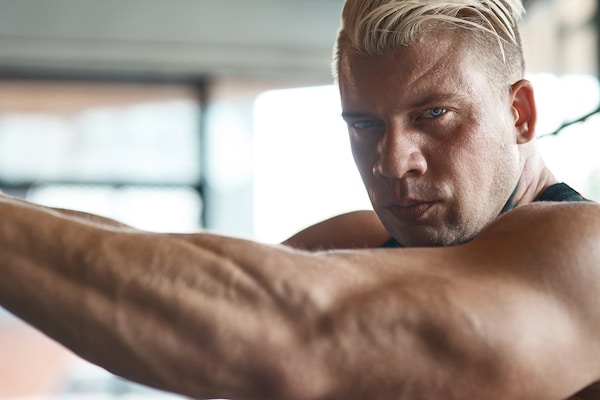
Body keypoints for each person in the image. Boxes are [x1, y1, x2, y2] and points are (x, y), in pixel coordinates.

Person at [1, 0, 599, 399]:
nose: (393, 161)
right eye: (364, 124)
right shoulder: (361, 241)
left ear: (519, 115)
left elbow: (294, 337)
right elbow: (172, 286)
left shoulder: (586, 255)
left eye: (434, 115)